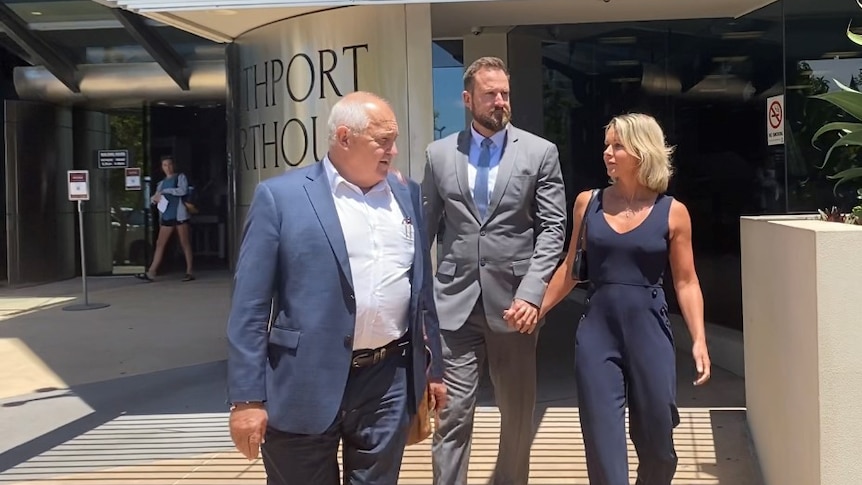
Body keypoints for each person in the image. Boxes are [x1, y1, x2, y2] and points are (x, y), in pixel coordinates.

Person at [226, 91, 448, 485]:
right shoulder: (280, 198)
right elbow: (249, 307)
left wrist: (433, 371)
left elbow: (420, 292)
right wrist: (247, 399)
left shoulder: (407, 194)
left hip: (387, 381)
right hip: (302, 383)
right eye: (383, 140)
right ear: (344, 138)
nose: (393, 150)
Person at [530, 113, 711, 485]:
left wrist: (699, 340)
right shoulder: (587, 203)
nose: (608, 154)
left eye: (617, 146)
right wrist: (536, 308)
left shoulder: (673, 212)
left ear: (642, 152)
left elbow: (687, 281)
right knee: (602, 444)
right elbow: (570, 269)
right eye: (606, 146)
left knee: (658, 444)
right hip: (598, 332)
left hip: (650, 329)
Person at [422, 56, 567, 485]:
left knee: (517, 415)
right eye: (490, 94)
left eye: (504, 93)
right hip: (455, 304)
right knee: (451, 414)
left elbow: (554, 228)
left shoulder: (540, 152)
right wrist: (419, 300)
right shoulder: (439, 154)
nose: (500, 101)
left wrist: (532, 292)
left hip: (515, 307)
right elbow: (425, 230)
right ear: (468, 99)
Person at [135, 155, 195, 282]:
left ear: (174, 165)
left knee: (184, 243)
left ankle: (189, 271)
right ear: (162, 167)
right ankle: (152, 271)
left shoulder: (180, 177)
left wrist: (167, 191)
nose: (168, 167)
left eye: (169, 164)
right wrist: (154, 199)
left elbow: (183, 191)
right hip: (167, 215)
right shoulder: (161, 183)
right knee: (160, 244)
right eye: (165, 165)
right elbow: (156, 197)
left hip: (179, 215)